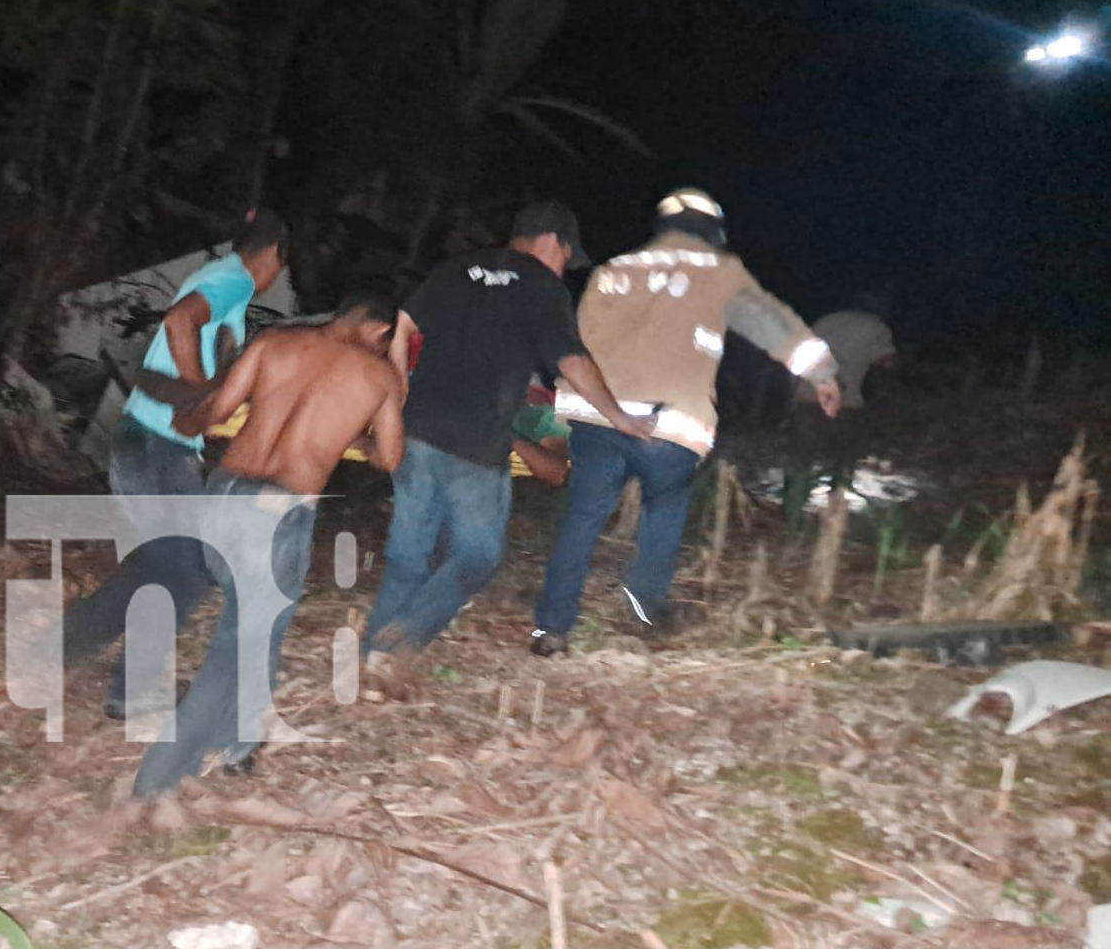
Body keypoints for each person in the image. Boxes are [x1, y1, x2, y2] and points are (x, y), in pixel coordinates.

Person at [530, 188, 842, 654]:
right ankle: (646, 602)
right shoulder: (719, 271)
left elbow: (579, 339)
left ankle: (551, 627)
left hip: (598, 415)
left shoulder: (613, 270)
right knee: (665, 508)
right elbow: (769, 322)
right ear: (713, 231)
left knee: (583, 517)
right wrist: (820, 372)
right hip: (670, 419)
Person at [131, 300, 404, 797]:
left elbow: (215, 413)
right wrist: (355, 436)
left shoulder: (274, 343)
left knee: (261, 624)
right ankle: (161, 775)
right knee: (241, 640)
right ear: (379, 328)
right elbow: (390, 457)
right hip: (279, 512)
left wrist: (188, 425)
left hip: (224, 495)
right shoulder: (378, 374)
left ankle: (239, 742)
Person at [362, 200, 651, 660]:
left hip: (417, 430)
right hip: (477, 444)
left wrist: (395, 397)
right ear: (553, 242)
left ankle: (374, 658)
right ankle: (397, 641)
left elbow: (402, 326)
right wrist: (620, 417)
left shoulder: (454, 269)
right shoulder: (542, 287)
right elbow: (572, 360)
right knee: (477, 558)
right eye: (565, 257)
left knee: (408, 555)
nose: (563, 269)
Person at [61, 208, 289, 720]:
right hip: (160, 447)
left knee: (163, 564)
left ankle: (62, 649)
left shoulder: (213, 278)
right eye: (279, 266)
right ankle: (131, 692)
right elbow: (180, 320)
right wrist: (197, 394)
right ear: (272, 254)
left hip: (143, 439)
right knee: (187, 571)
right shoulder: (232, 280)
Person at [790, 307, 896, 480]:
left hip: (810, 389)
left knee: (805, 445)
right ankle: (839, 485)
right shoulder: (877, 327)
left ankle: (798, 486)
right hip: (845, 397)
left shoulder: (827, 318)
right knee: (845, 446)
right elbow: (886, 361)